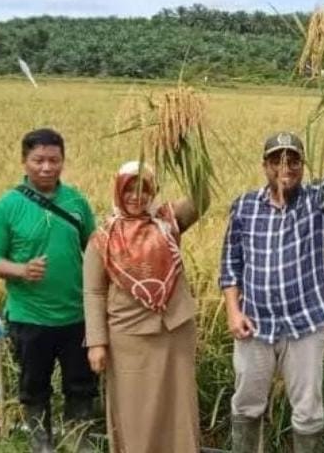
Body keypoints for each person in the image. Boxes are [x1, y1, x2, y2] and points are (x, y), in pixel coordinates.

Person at [220, 131, 324, 453]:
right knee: (246, 404)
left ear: (303, 164)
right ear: (265, 165)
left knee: (308, 410)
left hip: (304, 325)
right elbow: (231, 263)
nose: (286, 166)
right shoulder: (244, 206)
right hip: (254, 325)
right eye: (277, 159)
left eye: (293, 159)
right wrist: (233, 310)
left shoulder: (318, 202)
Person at [0, 128, 98, 453]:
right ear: (25, 161)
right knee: (34, 386)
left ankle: (79, 440)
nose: (46, 167)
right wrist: (20, 270)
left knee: (81, 386)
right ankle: (40, 445)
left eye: (54, 160)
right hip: (30, 318)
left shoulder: (76, 202)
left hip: (76, 315)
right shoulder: (8, 206)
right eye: (39, 160)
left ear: (63, 161)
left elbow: (96, 248)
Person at [83, 161, 205, 453]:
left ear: (153, 191)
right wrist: (97, 343)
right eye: (129, 190)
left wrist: (185, 149)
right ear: (117, 191)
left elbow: (202, 198)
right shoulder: (103, 238)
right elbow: (94, 291)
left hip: (174, 332)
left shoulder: (168, 221)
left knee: (178, 407)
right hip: (129, 339)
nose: (136, 197)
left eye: (144, 189)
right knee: (136, 412)